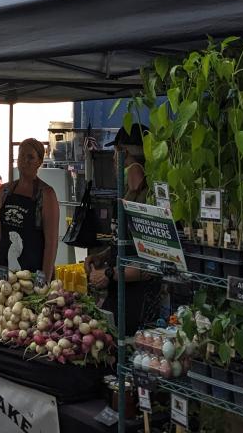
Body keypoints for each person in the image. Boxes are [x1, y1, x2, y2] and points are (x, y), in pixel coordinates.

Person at [85, 124, 162, 335]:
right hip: (119, 295)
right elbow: (126, 242)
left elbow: (152, 266)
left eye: (115, 152)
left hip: (139, 304)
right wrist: (103, 255)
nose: (111, 159)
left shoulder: (150, 200)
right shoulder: (126, 193)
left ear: (124, 154)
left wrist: (109, 274)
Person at [0, 138, 60, 282]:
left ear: (39, 162)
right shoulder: (5, 191)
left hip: (32, 275)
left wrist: (44, 279)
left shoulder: (46, 194)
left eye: (31, 157)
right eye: (22, 156)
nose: (25, 161)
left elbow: (51, 242)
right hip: (3, 271)